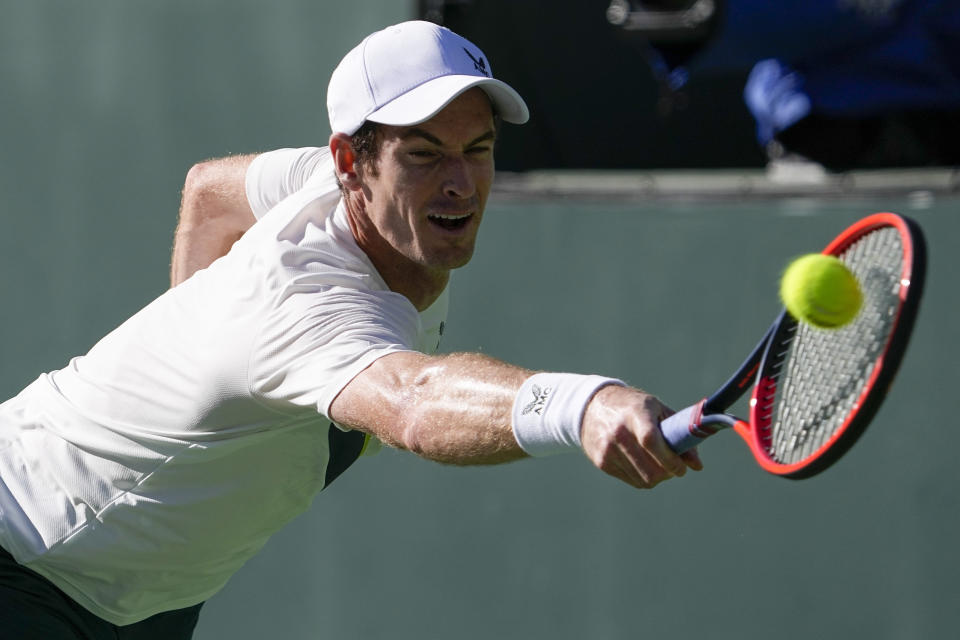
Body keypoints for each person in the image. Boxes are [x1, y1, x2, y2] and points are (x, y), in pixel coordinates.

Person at [0, 20, 700, 638]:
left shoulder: (315, 181)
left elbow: (209, 187)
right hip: (28, 551)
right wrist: (583, 406)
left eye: (478, 149)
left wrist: (193, 353)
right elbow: (416, 404)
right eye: (423, 155)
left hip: (147, 595)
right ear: (350, 165)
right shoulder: (308, 303)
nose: (460, 182)